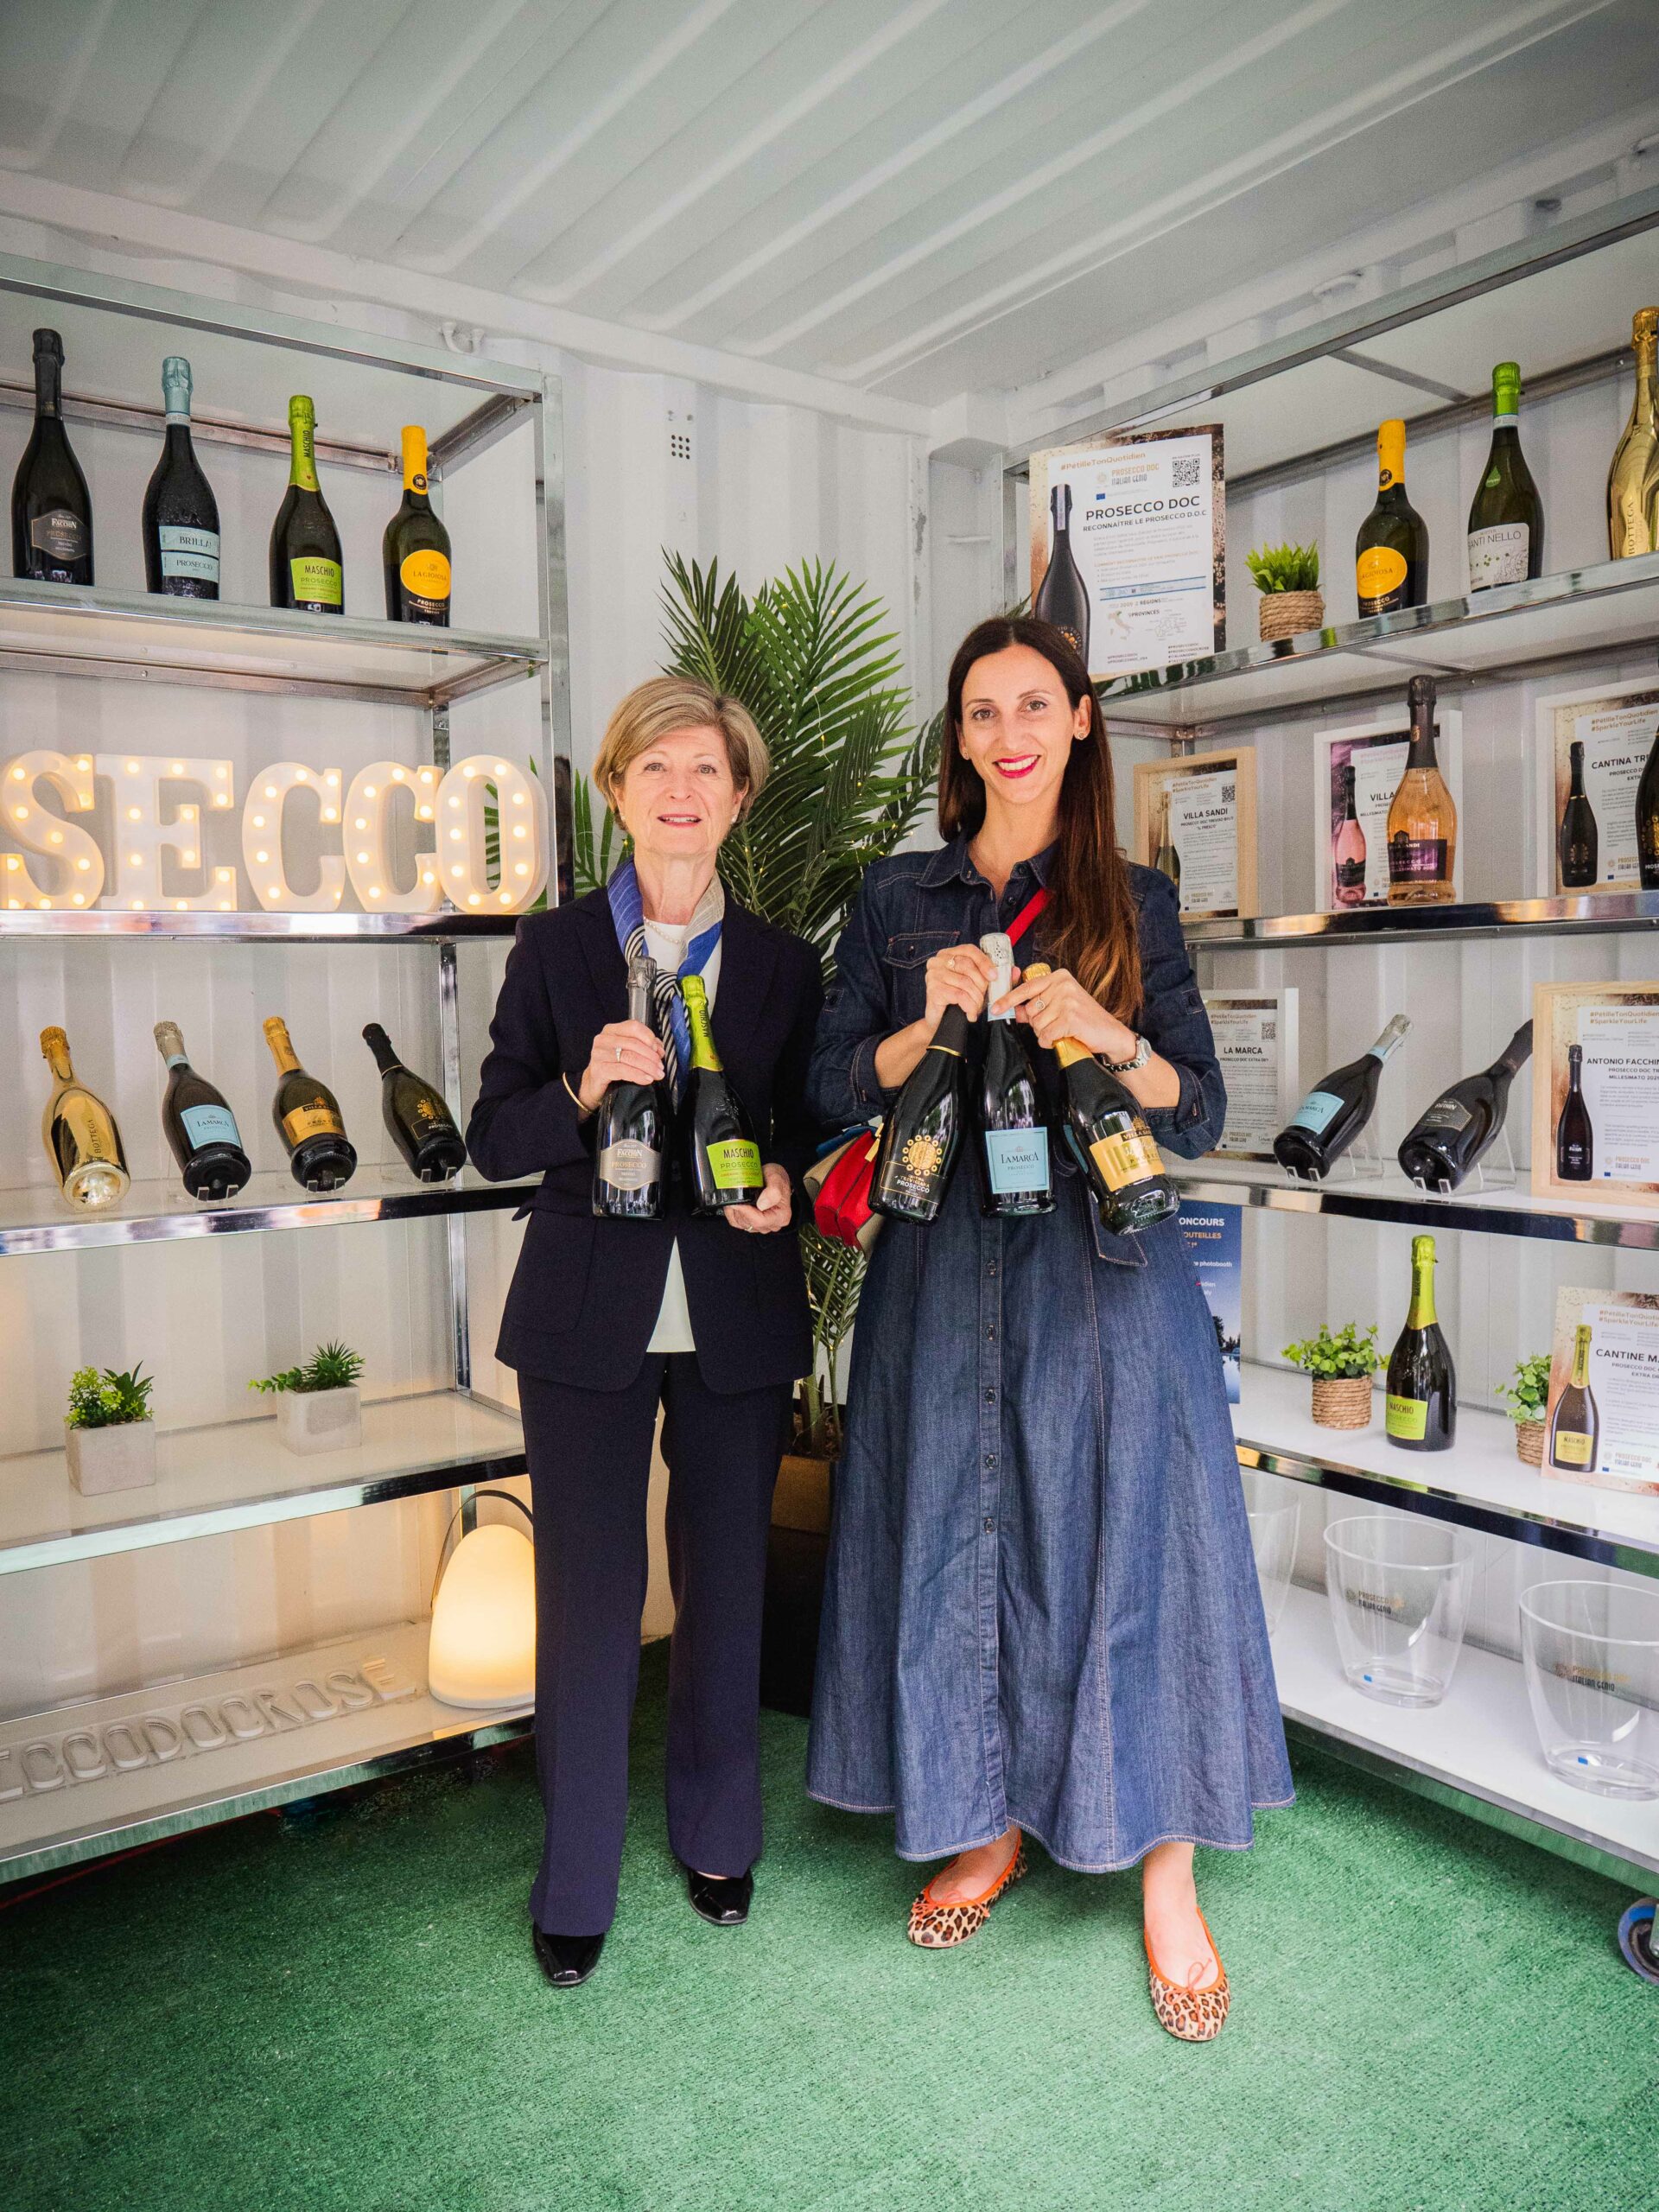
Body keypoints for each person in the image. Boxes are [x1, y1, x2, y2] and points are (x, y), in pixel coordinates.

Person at [804, 616, 1293, 2042]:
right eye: (981, 710)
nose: (1007, 732)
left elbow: (1199, 1107)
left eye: (1033, 704)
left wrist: (1105, 1028)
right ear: (959, 737)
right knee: (960, 1538)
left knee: (1141, 1546)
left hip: (1106, 1271)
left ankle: (1168, 1876)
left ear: (1081, 720)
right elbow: (830, 1085)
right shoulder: (897, 898)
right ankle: (985, 1826)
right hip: (944, 1274)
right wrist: (923, 1027)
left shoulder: (1135, 900)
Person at [467, 676, 823, 1991]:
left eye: (708, 770)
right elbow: (492, 1136)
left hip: (736, 1310)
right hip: (583, 1317)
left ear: (739, 798)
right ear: (617, 788)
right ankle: (576, 1880)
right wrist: (580, 1087)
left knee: (726, 1587)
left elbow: (812, 1131)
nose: (682, 790)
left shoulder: (783, 964)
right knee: (589, 1600)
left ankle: (720, 1838)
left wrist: (785, 1181)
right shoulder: (554, 949)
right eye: (656, 767)